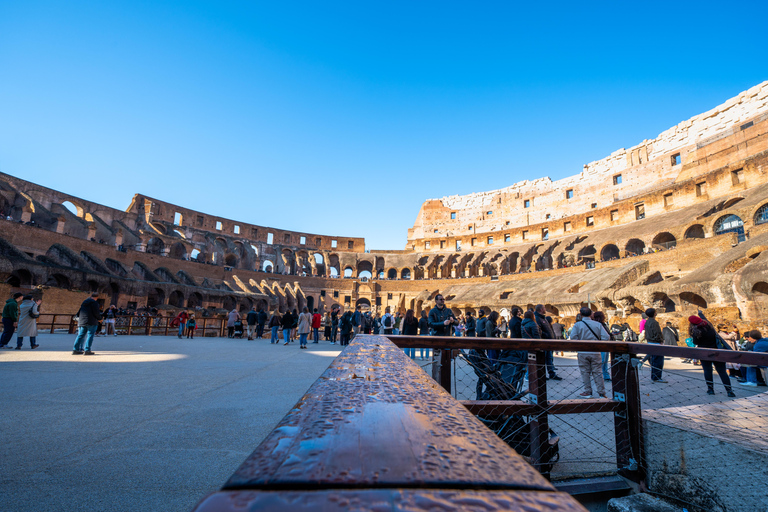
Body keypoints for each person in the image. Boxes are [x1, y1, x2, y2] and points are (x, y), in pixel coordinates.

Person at [687, 315, 735, 396]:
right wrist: (701, 314)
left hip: (704, 353)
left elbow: (695, 342)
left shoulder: (697, 331)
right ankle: (729, 391)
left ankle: (710, 389)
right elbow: (705, 319)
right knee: (722, 372)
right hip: (716, 351)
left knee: (707, 371)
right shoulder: (710, 327)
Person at [568, 307, 610, 398]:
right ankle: (601, 393)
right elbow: (606, 337)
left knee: (585, 372)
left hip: (583, 351)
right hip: (595, 351)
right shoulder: (598, 324)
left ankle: (588, 391)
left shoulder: (578, 325)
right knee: (598, 372)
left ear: (581, 314)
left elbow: (573, 337)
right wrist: (598, 343)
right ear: (591, 314)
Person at [534, 304, 561, 381]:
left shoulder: (543, 318)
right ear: (541, 309)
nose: (545, 309)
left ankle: (551, 373)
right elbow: (538, 330)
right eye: (544, 308)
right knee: (543, 359)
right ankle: (542, 375)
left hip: (548, 342)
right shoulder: (537, 318)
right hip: (543, 342)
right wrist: (546, 335)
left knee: (549, 358)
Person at [643, 308, 666, 383]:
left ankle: (654, 376)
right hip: (656, 343)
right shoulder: (654, 322)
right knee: (658, 362)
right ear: (654, 313)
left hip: (650, 342)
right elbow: (657, 333)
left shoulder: (647, 322)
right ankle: (657, 377)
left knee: (653, 361)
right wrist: (661, 341)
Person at [593, 311, 612, 382]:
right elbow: (605, 335)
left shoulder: (602, 324)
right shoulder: (599, 324)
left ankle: (604, 375)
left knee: (604, 361)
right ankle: (602, 375)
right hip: (602, 344)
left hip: (603, 344)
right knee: (603, 361)